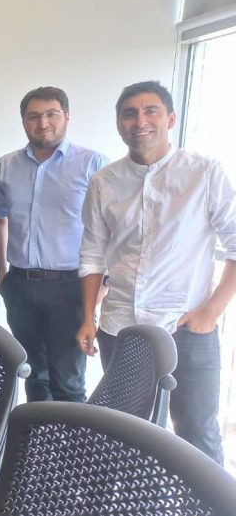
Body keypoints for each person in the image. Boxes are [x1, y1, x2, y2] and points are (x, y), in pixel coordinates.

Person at [77, 81, 236, 465]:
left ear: (171, 119)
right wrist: (87, 316)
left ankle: (207, 499)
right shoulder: (104, 182)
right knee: (125, 431)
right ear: (119, 123)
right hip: (122, 329)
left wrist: (210, 312)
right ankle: (130, 496)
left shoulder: (204, 173)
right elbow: (93, 254)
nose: (140, 121)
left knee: (197, 432)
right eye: (129, 114)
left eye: (151, 111)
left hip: (187, 329)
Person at [0, 87, 108, 403]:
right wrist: (2, 273)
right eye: (34, 116)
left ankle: (69, 437)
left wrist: (104, 284)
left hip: (70, 287)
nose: (43, 123)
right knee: (32, 374)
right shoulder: (7, 165)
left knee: (67, 381)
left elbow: (112, 228)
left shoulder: (93, 164)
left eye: (51, 114)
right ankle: (38, 435)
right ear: (24, 122)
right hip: (20, 284)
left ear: (67, 117)